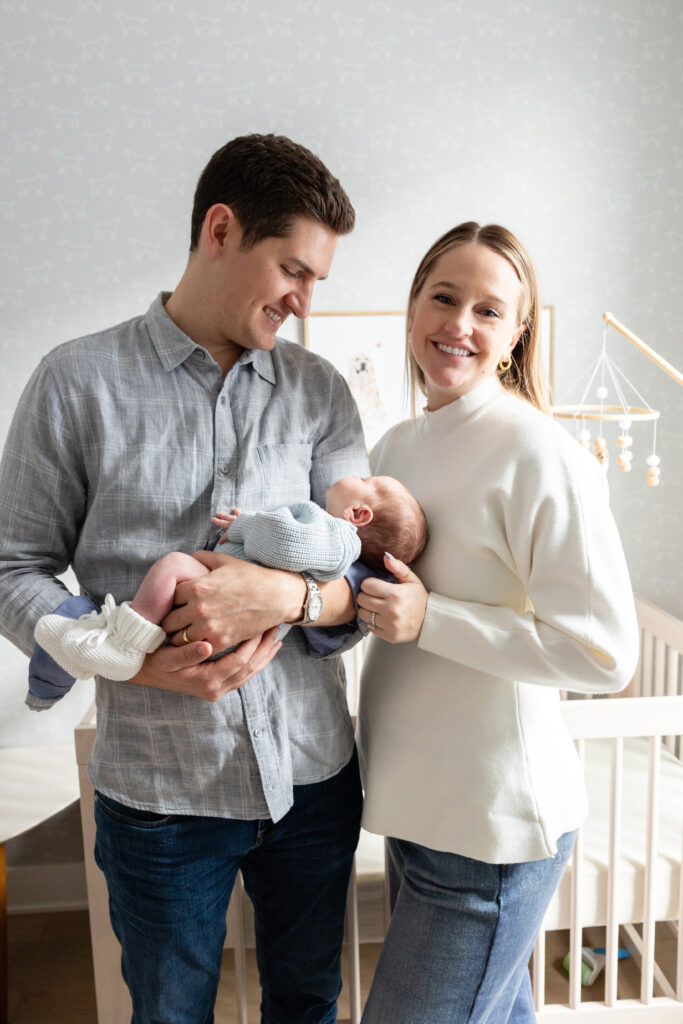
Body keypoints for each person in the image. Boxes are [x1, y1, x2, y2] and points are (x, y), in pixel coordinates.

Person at [0, 133, 374, 1024]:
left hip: (313, 777)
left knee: (308, 1004)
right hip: (159, 796)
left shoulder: (320, 393)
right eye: (293, 269)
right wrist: (124, 658)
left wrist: (282, 596)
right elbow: (12, 565)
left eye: (317, 279)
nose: (306, 302)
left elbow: (358, 578)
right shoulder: (76, 382)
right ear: (219, 229)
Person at [354, 222, 640, 1023]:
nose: (459, 324)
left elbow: (603, 655)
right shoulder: (396, 444)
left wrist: (429, 618)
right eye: (443, 298)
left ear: (516, 335)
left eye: (488, 310)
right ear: (411, 308)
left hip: (491, 830)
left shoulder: (538, 452)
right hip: (416, 809)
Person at [32, 474, 426, 685]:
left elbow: (285, 543)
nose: (357, 473)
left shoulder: (336, 536)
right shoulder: (332, 538)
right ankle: (99, 643)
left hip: (228, 604)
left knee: (171, 565)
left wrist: (245, 525)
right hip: (231, 608)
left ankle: (122, 643)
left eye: (367, 479)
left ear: (359, 514)